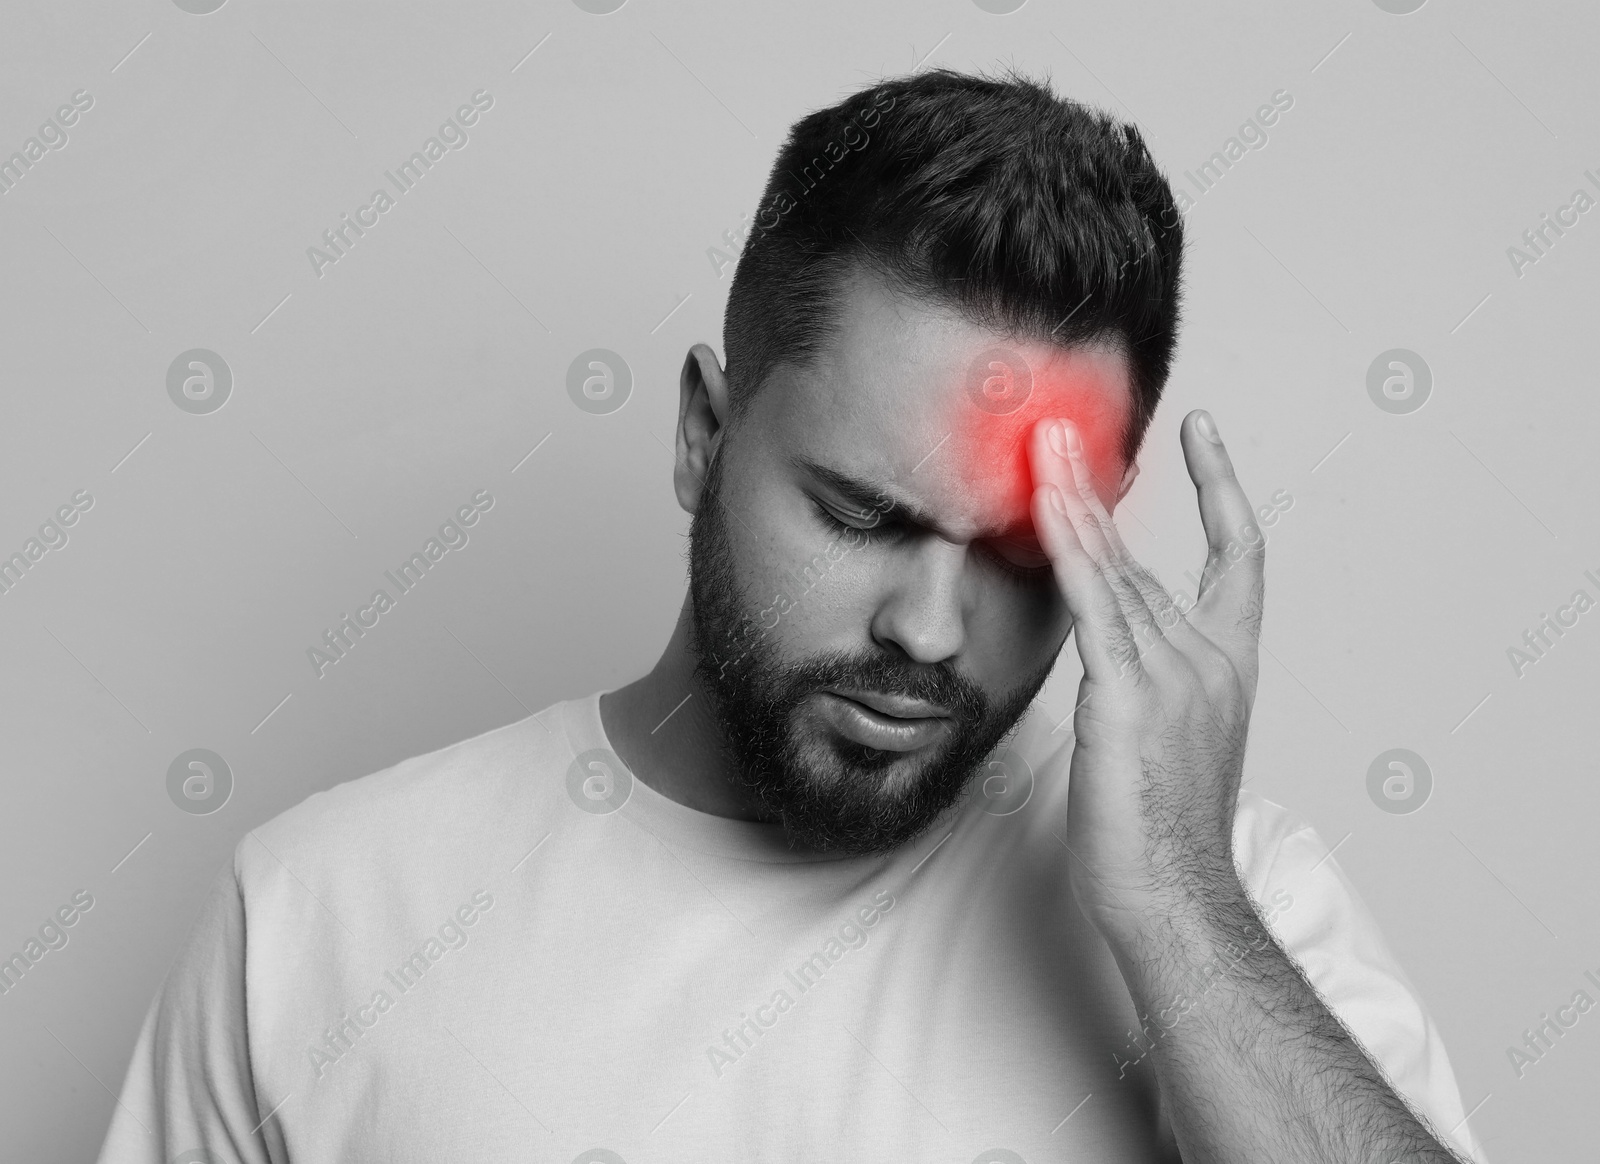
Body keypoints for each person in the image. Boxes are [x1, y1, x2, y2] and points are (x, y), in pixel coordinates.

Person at [97, 68, 1488, 1163]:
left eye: (1023, 556)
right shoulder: (313, 920)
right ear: (706, 432)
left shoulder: (1239, 908)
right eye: (861, 516)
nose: (933, 632)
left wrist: (1178, 908)